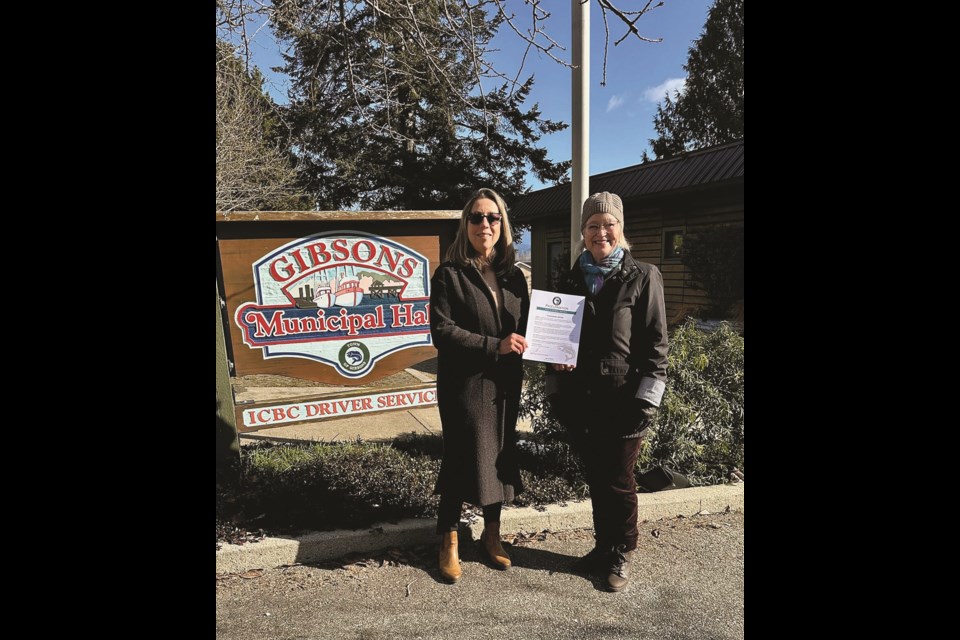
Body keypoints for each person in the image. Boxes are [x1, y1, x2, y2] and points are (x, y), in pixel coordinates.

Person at [546, 192, 668, 592]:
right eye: (593, 225)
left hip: (624, 398)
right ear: (583, 232)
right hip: (582, 399)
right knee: (598, 478)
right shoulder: (569, 279)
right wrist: (556, 371)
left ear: (620, 228)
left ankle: (622, 551)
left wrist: (647, 400)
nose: (601, 232)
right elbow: (557, 339)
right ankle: (602, 547)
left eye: (608, 224)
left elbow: (656, 346)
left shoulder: (644, 276)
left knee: (620, 479)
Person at [429, 187, 530, 584]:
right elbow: (442, 331)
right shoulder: (449, 274)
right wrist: (495, 345)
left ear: (502, 225)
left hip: (505, 381)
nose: (484, 224)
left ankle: (492, 534)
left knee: (500, 456)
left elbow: (526, 327)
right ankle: (449, 539)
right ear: (465, 224)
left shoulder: (514, 276)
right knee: (461, 456)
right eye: (476, 217)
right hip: (465, 383)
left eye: (492, 218)